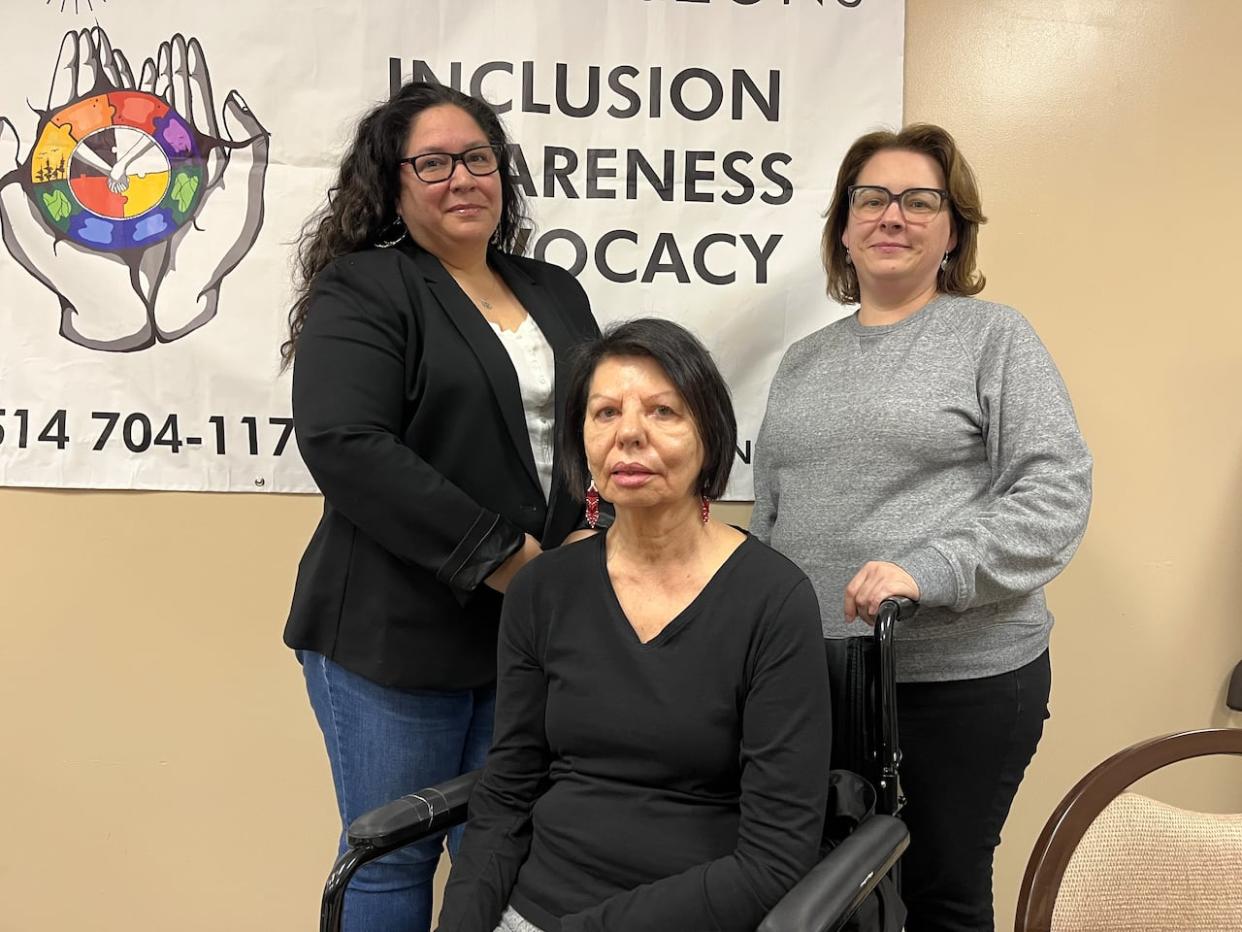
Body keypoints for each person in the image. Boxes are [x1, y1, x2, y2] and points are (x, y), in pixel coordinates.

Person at [751, 124, 1092, 932]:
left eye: (918, 201)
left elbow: (1055, 491)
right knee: (822, 901)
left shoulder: (992, 337)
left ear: (952, 228)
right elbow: (771, 516)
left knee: (941, 897)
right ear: (844, 224)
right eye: (871, 198)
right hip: (817, 684)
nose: (891, 216)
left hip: (959, 683)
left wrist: (929, 568)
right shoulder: (803, 360)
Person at [282, 81, 600, 932]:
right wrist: (515, 561)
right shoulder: (368, 287)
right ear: (392, 185)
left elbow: (601, 419)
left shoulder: (555, 290)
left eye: (478, 158)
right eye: (433, 163)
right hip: (393, 635)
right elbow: (346, 443)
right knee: (394, 861)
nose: (462, 178)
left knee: (507, 853)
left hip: (529, 636)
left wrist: (591, 529)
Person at [437, 319, 832, 932]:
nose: (629, 435)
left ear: (710, 435)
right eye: (605, 413)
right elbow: (506, 797)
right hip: (532, 910)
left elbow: (775, 860)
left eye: (662, 412)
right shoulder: (543, 590)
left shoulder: (774, 600)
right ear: (582, 442)